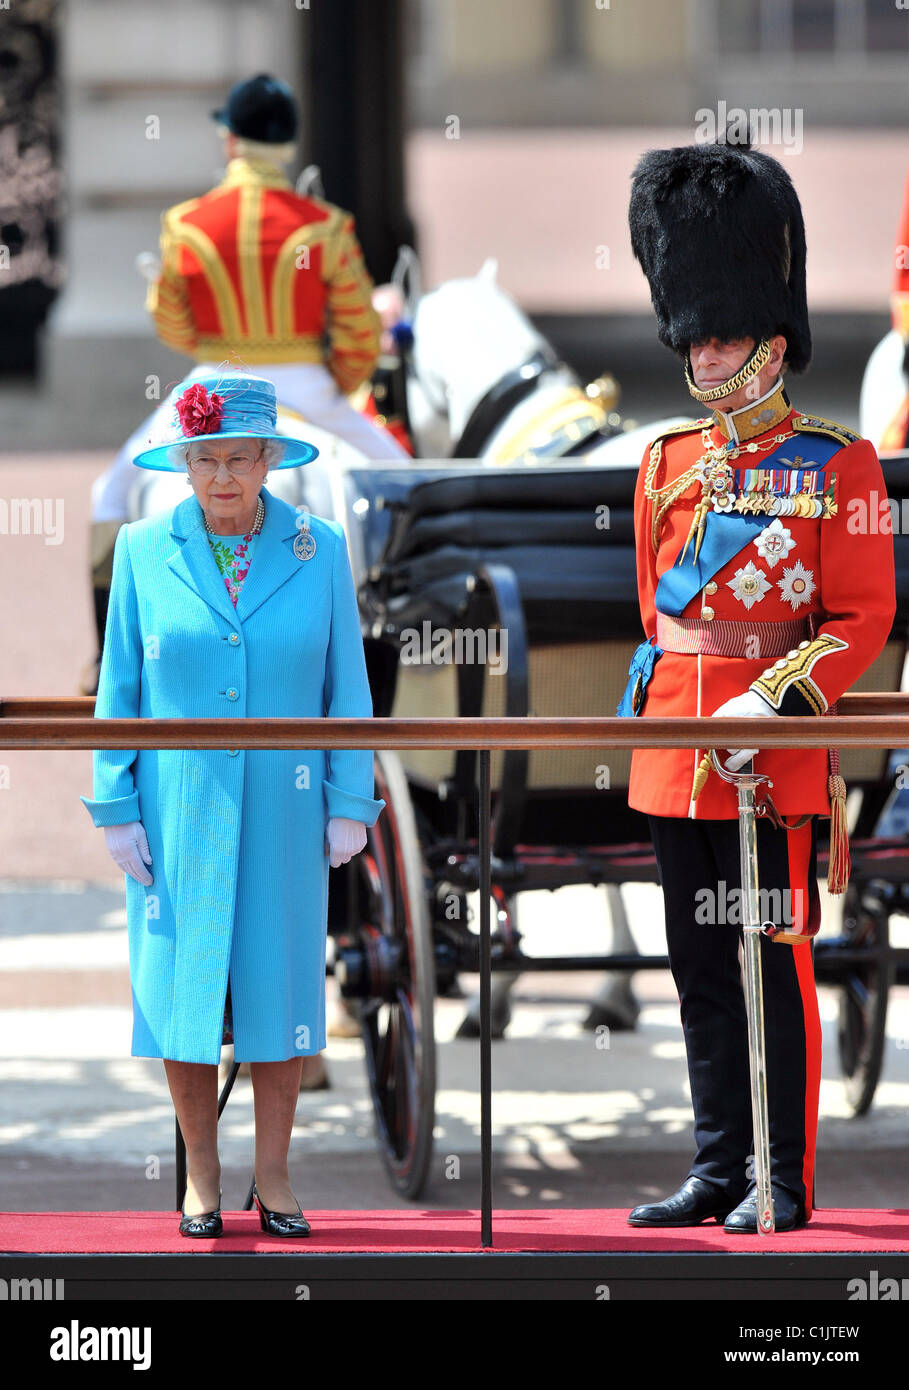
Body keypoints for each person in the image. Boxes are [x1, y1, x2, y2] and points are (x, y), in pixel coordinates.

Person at [619, 138, 896, 1232]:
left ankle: (783, 1174)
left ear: (773, 344)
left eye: (725, 332)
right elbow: (658, 611)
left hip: (767, 754)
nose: (708, 350)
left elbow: (860, 618)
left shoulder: (841, 467)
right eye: (697, 333)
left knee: (769, 969)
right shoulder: (662, 464)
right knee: (696, 971)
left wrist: (774, 699)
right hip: (673, 752)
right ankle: (719, 1164)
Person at [80, 370, 386, 1237]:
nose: (222, 477)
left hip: (287, 810)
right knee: (180, 990)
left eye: (239, 459)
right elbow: (120, 691)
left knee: (278, 987)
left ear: (268, 462)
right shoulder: (142, 548)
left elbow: (348, 690)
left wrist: (348, 798)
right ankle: (202, 1180)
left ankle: (278, 1176)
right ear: (183, 463)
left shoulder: (318, 547)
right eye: (205, 459)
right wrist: (116, 806)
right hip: (177, 812)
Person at [79, 72, 408, 696]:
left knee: (110, 494)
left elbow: (173, 324)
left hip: (212, 376)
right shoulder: (326, 225)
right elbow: (362, 331)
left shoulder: (188, 222)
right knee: (407, 480)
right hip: (308, 384)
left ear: (231, 141)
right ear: (286, 146)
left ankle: (104, 662)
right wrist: (333, 387)